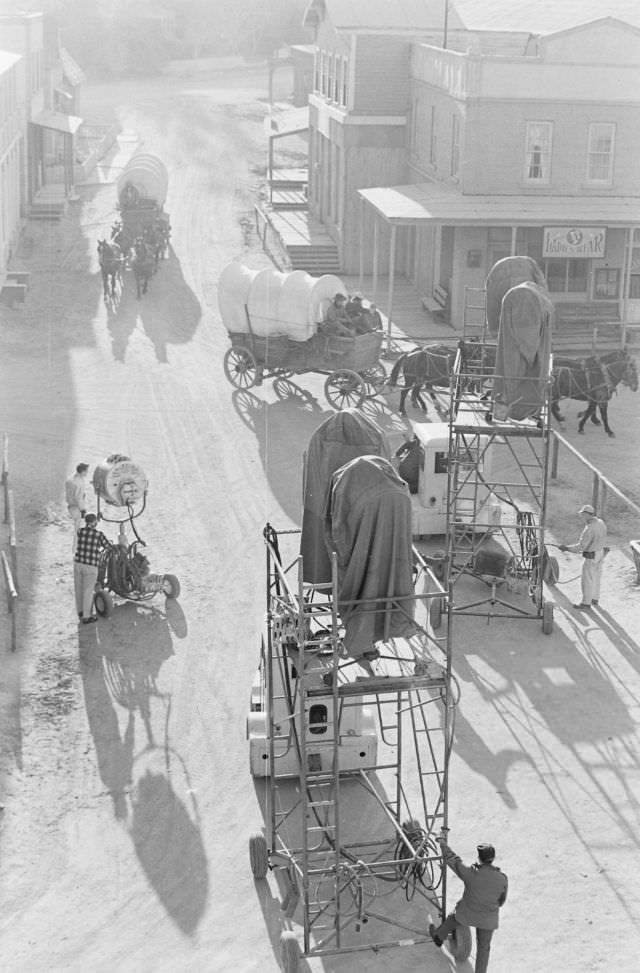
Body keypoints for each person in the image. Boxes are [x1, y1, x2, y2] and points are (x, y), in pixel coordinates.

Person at [430, 837, 508, 973]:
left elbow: (453, 861)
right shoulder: (502, 878)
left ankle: (438, 937)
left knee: (454, 917)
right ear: (493, 858)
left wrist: (443, 844)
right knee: (484, 949)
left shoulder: (471, 873)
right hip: (488, 919)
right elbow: (501, 901)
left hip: (467, 912)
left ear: (479, 858)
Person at [558, 503, 608, 609]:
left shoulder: (589, 529)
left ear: (587, 515)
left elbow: (581, 546)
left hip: (591, 556)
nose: (581, 517)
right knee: (596, 578)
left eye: (582, 515)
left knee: (587, 580)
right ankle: (594, 599)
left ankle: (586, 603)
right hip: (600, 553)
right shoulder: (601, 522)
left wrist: (566, 548)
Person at [74, 513, 109, 623]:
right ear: (94, 522)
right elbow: (107, 546)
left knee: (79, 589)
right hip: (91, 566)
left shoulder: (80, 531)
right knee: (88, 591)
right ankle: (86, 616)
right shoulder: (99, 535)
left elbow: (87, 532)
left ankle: (80, 611)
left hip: (78, 564)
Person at [65, 463, 89, 554]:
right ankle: (76, 551)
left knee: (77, 529)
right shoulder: (79, 482)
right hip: (76, 508)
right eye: (86, 471)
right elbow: (78, 498)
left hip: (70, 506)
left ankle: (75, 550)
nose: (87, 473)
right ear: (82, 472)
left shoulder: (70, 478)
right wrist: (83, 510)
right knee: (79, 530)